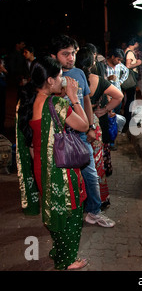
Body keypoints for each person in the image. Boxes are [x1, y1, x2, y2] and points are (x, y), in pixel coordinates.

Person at [16, 56, 89, 270]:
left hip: (41, 165)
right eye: (59, 76)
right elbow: (84, 125)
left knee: (53, 209)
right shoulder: (56, 104)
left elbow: (30, 142)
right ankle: (66, 260)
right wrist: (74, 98)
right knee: (71, 210)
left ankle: (59, 250)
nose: (63, 80)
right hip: (61, 168)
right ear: (49, 80)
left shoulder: (27, 102)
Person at [50, 34, 115, 228]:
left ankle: (94, 212)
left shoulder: (78, 73)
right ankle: (65, 217)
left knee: (91, 174)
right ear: (54, 56)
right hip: (59, 136)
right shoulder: (51, 77)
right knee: (64, 179)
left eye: (73, 53)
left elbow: (86, 99)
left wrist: (91, 126)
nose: (71, 58)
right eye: (65, 54)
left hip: (81, 133)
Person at [75, 47, 123, 208]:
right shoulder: (97, 79)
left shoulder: (68, 80)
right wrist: (105, 109)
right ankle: (98, 201)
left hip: (72, 123)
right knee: (95, 165)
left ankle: (79, 201)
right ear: (92, 64)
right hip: (92, 123)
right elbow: (119, 96)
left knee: (75, 165)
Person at [124, 37, 142, 128]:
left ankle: (128, 120)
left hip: (128, 80)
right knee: (130, 100)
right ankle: (128, 121)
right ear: (135, 43)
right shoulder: (130, 52)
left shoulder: (126, 51)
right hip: (130, 80)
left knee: (129, 100)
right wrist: (138, 63)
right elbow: (128, 65)